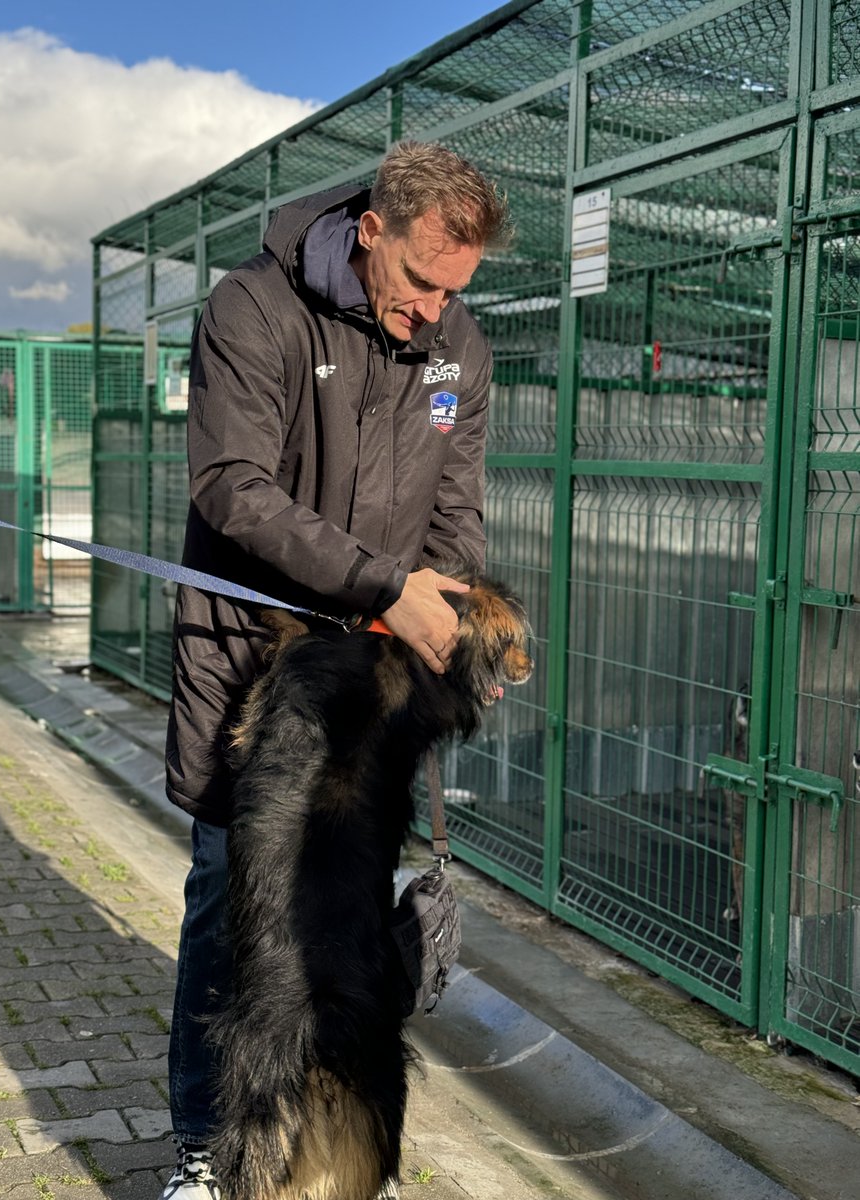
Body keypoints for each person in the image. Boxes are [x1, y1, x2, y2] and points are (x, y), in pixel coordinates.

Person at [161, 140, 510, 1200]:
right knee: (233, 891)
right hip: (251, 662)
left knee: (350, 903)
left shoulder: (458, 350)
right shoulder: (253, 310)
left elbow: (454, 516)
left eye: (458, 291)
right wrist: (382, 587)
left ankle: (347, 1139)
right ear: (370, 232)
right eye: (421, 282)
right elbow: (232, 486)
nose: (437, 312)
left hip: (374, 681)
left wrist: (455, 635)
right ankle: (202, 1144)